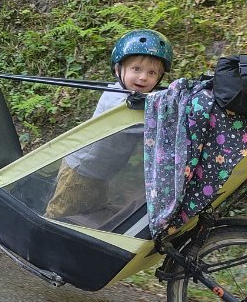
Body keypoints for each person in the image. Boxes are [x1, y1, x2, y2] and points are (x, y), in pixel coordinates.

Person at [44, 29, 172, 221]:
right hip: (81, 171)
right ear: (118, 70)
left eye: (152, 73)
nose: (143, 77)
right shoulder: (117, 100)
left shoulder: (138, 98)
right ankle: (38, 236)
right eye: (136, 69)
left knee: (90, 211)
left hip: (101, 174)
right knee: (60, 213)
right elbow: (146, 122)